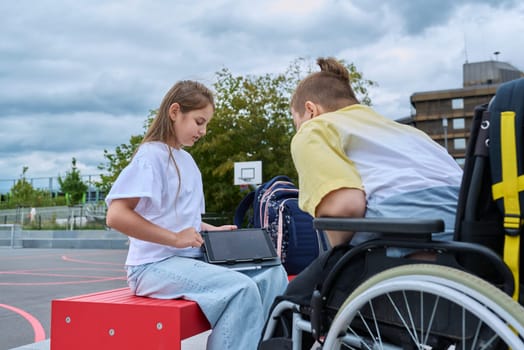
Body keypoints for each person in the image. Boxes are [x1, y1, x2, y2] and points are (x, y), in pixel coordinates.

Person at [259, 58, 463, 349]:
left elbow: (345, 208)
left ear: (310, 110)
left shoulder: (316, 129)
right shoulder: (412, 134)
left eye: (296, 122)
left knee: (289, 306)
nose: (298, 129)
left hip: (403, 253)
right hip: (470, 254)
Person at [105, 80, 288, 350]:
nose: (203, 131)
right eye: (199, 121)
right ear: (175, 111)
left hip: (187, 259)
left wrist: (211, 231)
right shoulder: (150, 156)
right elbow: (116, 215)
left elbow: (181, 220)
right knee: (241, 288)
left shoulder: (186, 160)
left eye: (206, 125)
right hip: (152, 266)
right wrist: (174, 238)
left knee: (273, 273)